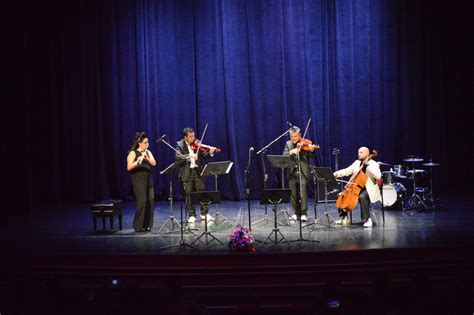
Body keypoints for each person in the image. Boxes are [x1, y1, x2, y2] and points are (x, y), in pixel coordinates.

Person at [175, 127, 216, 223]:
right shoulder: (179, 145)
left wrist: (210, 153)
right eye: (190, 137)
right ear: (185, 137)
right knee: (188, 194)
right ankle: (191, 214)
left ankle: (204, 214)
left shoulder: (196, 144)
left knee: (202, 192)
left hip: (197, 171)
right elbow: (178, 157)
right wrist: (189, 155)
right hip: (187, 172)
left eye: (193, 136)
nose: (193, 138)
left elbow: (203, 156)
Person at [333, 147, 381, 227]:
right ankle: (344, 218)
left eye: (361, 152)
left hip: (369, 189)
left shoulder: (373, 164)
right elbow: (347, 171)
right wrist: (335, 174)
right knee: (342, 195)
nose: (359, 154)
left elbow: (378, 176)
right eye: (358, 152)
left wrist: (368, 168)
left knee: (362, 197)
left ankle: (368, 219)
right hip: (357, 187)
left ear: (367, 154)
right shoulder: (357, 163)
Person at [283, 126, 318, 222]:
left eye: (295, 136)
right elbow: (284, 156)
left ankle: (303, 213)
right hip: (292, 171)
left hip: (303, 171)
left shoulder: (305, 143)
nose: (293, 138)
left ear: (299, 135)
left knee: (303, 192)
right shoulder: (288, 144)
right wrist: (291, 152)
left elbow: (312, 155)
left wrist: (312, 150)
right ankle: (296, 213)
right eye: (291, 136)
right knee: (293, 193)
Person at [126, 132, 156, 232]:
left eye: (148, 142)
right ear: (139, 143)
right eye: (145, 142)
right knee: (142, 200)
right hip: (138, 179)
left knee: (150, 200)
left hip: (148, 178)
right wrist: (137, 160)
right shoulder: (133, 153)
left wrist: (146, 158)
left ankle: (147, 225)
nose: (147, 144)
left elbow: (154, 163)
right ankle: (137, 225)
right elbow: (129, 167)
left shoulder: (148, 152)